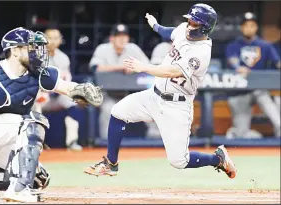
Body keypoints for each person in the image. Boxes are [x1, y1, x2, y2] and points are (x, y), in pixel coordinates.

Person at [84, 4, 236, 180]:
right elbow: (169, 32)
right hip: (153, 95)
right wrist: (155, 25)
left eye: (194, 22)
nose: (189, 25)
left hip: (176, 106)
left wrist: (144, 67)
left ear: (205, 27)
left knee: (179, 161)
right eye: (189, 20)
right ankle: (111, 163)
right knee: (118, 112)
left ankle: (216, 159)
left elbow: (172, 71)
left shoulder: (201, 52)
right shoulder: (184, 29)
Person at [0, 27, 103, 202]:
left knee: (37, 178)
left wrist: (80, 91)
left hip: (6, 131)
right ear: (15, 50)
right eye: (31, 47)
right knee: (33, 121)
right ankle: (18, 191)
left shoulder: (36, 73)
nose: (37, 52)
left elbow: (65, 87)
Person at [89, 23, 160, 139]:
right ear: (112, 38)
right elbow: (94, 67)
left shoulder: (133, 49)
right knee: (108, 110)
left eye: (124, 36)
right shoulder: (103, 49)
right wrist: (120, 68)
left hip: (130, 93)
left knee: (150, 106)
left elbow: (148, 66)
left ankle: (155, 143)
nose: (122, 39)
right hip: (109, 94)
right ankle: (107, 144)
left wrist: (134, 68)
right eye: (118, 36)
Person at [225, 12, 281, 139]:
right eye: (246, 25)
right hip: (240, 91)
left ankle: (279, 127)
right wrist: (238, 67)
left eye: (252, 25)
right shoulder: (233, 45)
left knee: (262, 94)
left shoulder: (265, 45)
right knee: (241, 134)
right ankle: (244, 134)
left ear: (256, 27)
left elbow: (277, 63)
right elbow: (234, 62)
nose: (249, 28)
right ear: (242, 28)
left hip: (258, 89)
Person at [32, 25, 83, 150]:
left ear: (60, 40)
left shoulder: (63, 58)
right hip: (40, 93)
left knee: (73, 103)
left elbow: (67, 79)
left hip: (58, 94)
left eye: (56, 38)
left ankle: (72, 141)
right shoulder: (35, 55)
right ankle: (36, 142)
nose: (53, 41)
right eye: (50, 38)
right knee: (36, 104)